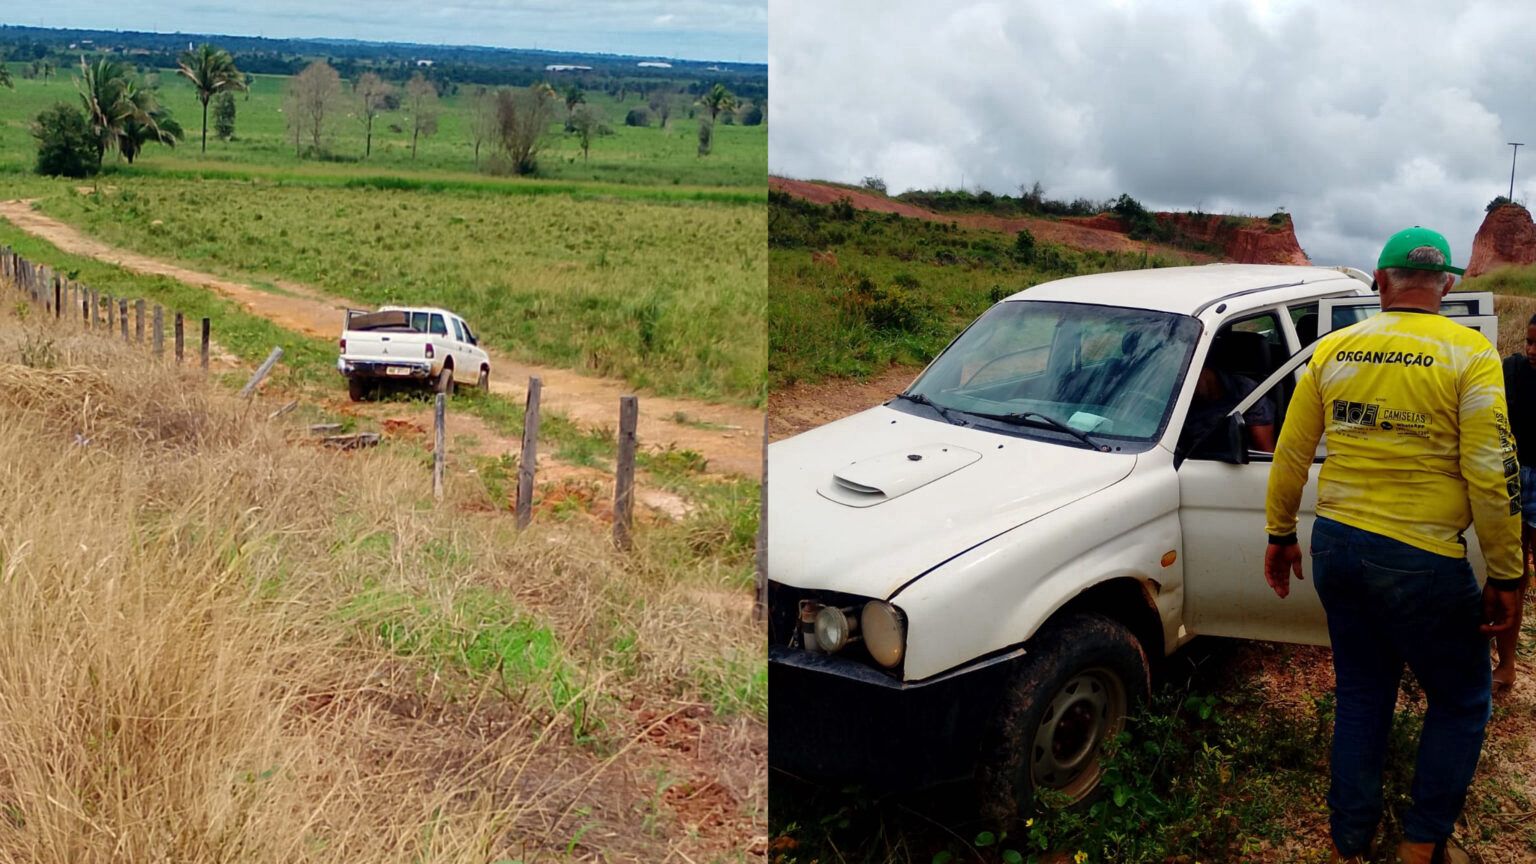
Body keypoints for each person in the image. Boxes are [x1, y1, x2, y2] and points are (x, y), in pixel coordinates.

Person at [1263, 227, 1522, 864]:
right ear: (1450, 286)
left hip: (1337, 547)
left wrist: (1278, 534)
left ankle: (1350, 837)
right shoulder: (1471, 355)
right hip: (1421, 559)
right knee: (1461, 700)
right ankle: (1420, 845)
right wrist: (1508, 574)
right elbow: (1492, 470)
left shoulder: (1332, 350)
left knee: (1360, 692)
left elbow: (1291, 454)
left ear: (1379, 282)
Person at [1496, 313, 1536, 693]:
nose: (1531, 350)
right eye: (1528, 341)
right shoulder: (1511, 369)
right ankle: (1506, 665)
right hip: (1512, 474)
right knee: (1512, 575)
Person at [1181, 342, 1277, 455]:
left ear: (1205, 367)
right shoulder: (1176, 400)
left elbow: (1266, 455)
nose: (1185, 384)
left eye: (1189, 376)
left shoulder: (1247, 392)